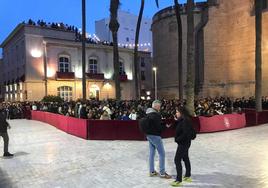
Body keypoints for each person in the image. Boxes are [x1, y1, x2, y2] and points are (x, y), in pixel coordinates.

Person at [145, 100, 172, 179]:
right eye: (159, 106)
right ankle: (162, 173)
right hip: (155, 136)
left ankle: (152, 171)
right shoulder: (155, 115)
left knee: (152, 153)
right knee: (162, 154)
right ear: (156, 106)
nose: (160, 108)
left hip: (148, 135)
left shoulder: (147, 113)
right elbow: (158, 127)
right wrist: (165, 127)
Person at [171, 107, 194, 187]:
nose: (176, 113)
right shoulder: (183, 120)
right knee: (185, 158)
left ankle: (178, 180)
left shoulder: (185, 121)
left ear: (181, 113)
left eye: (177, 112)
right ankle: (187, 176)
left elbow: (186, 133)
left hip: (183, 143)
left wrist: (178, 139)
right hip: (185, 143)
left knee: (177, 159)